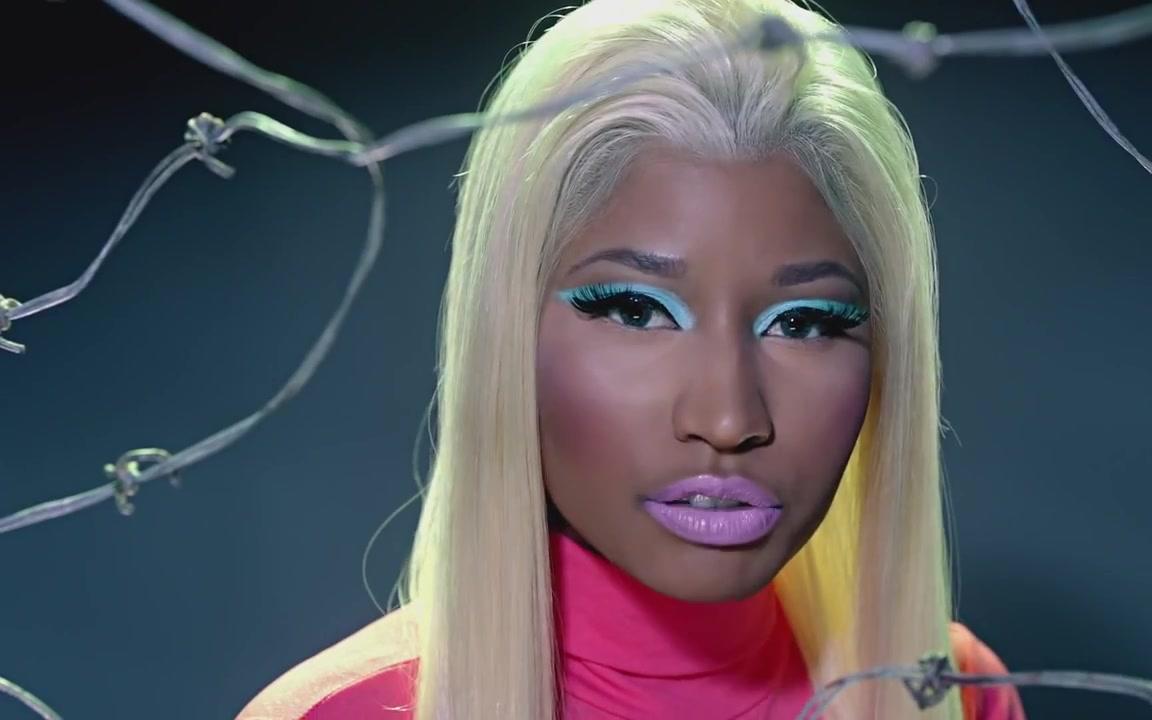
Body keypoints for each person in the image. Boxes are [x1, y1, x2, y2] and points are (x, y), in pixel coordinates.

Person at [235, 0, 1027, 717]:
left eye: (805, 322)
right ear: (506, 335)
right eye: (634, 310)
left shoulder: (948, 694)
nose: (728, 419)